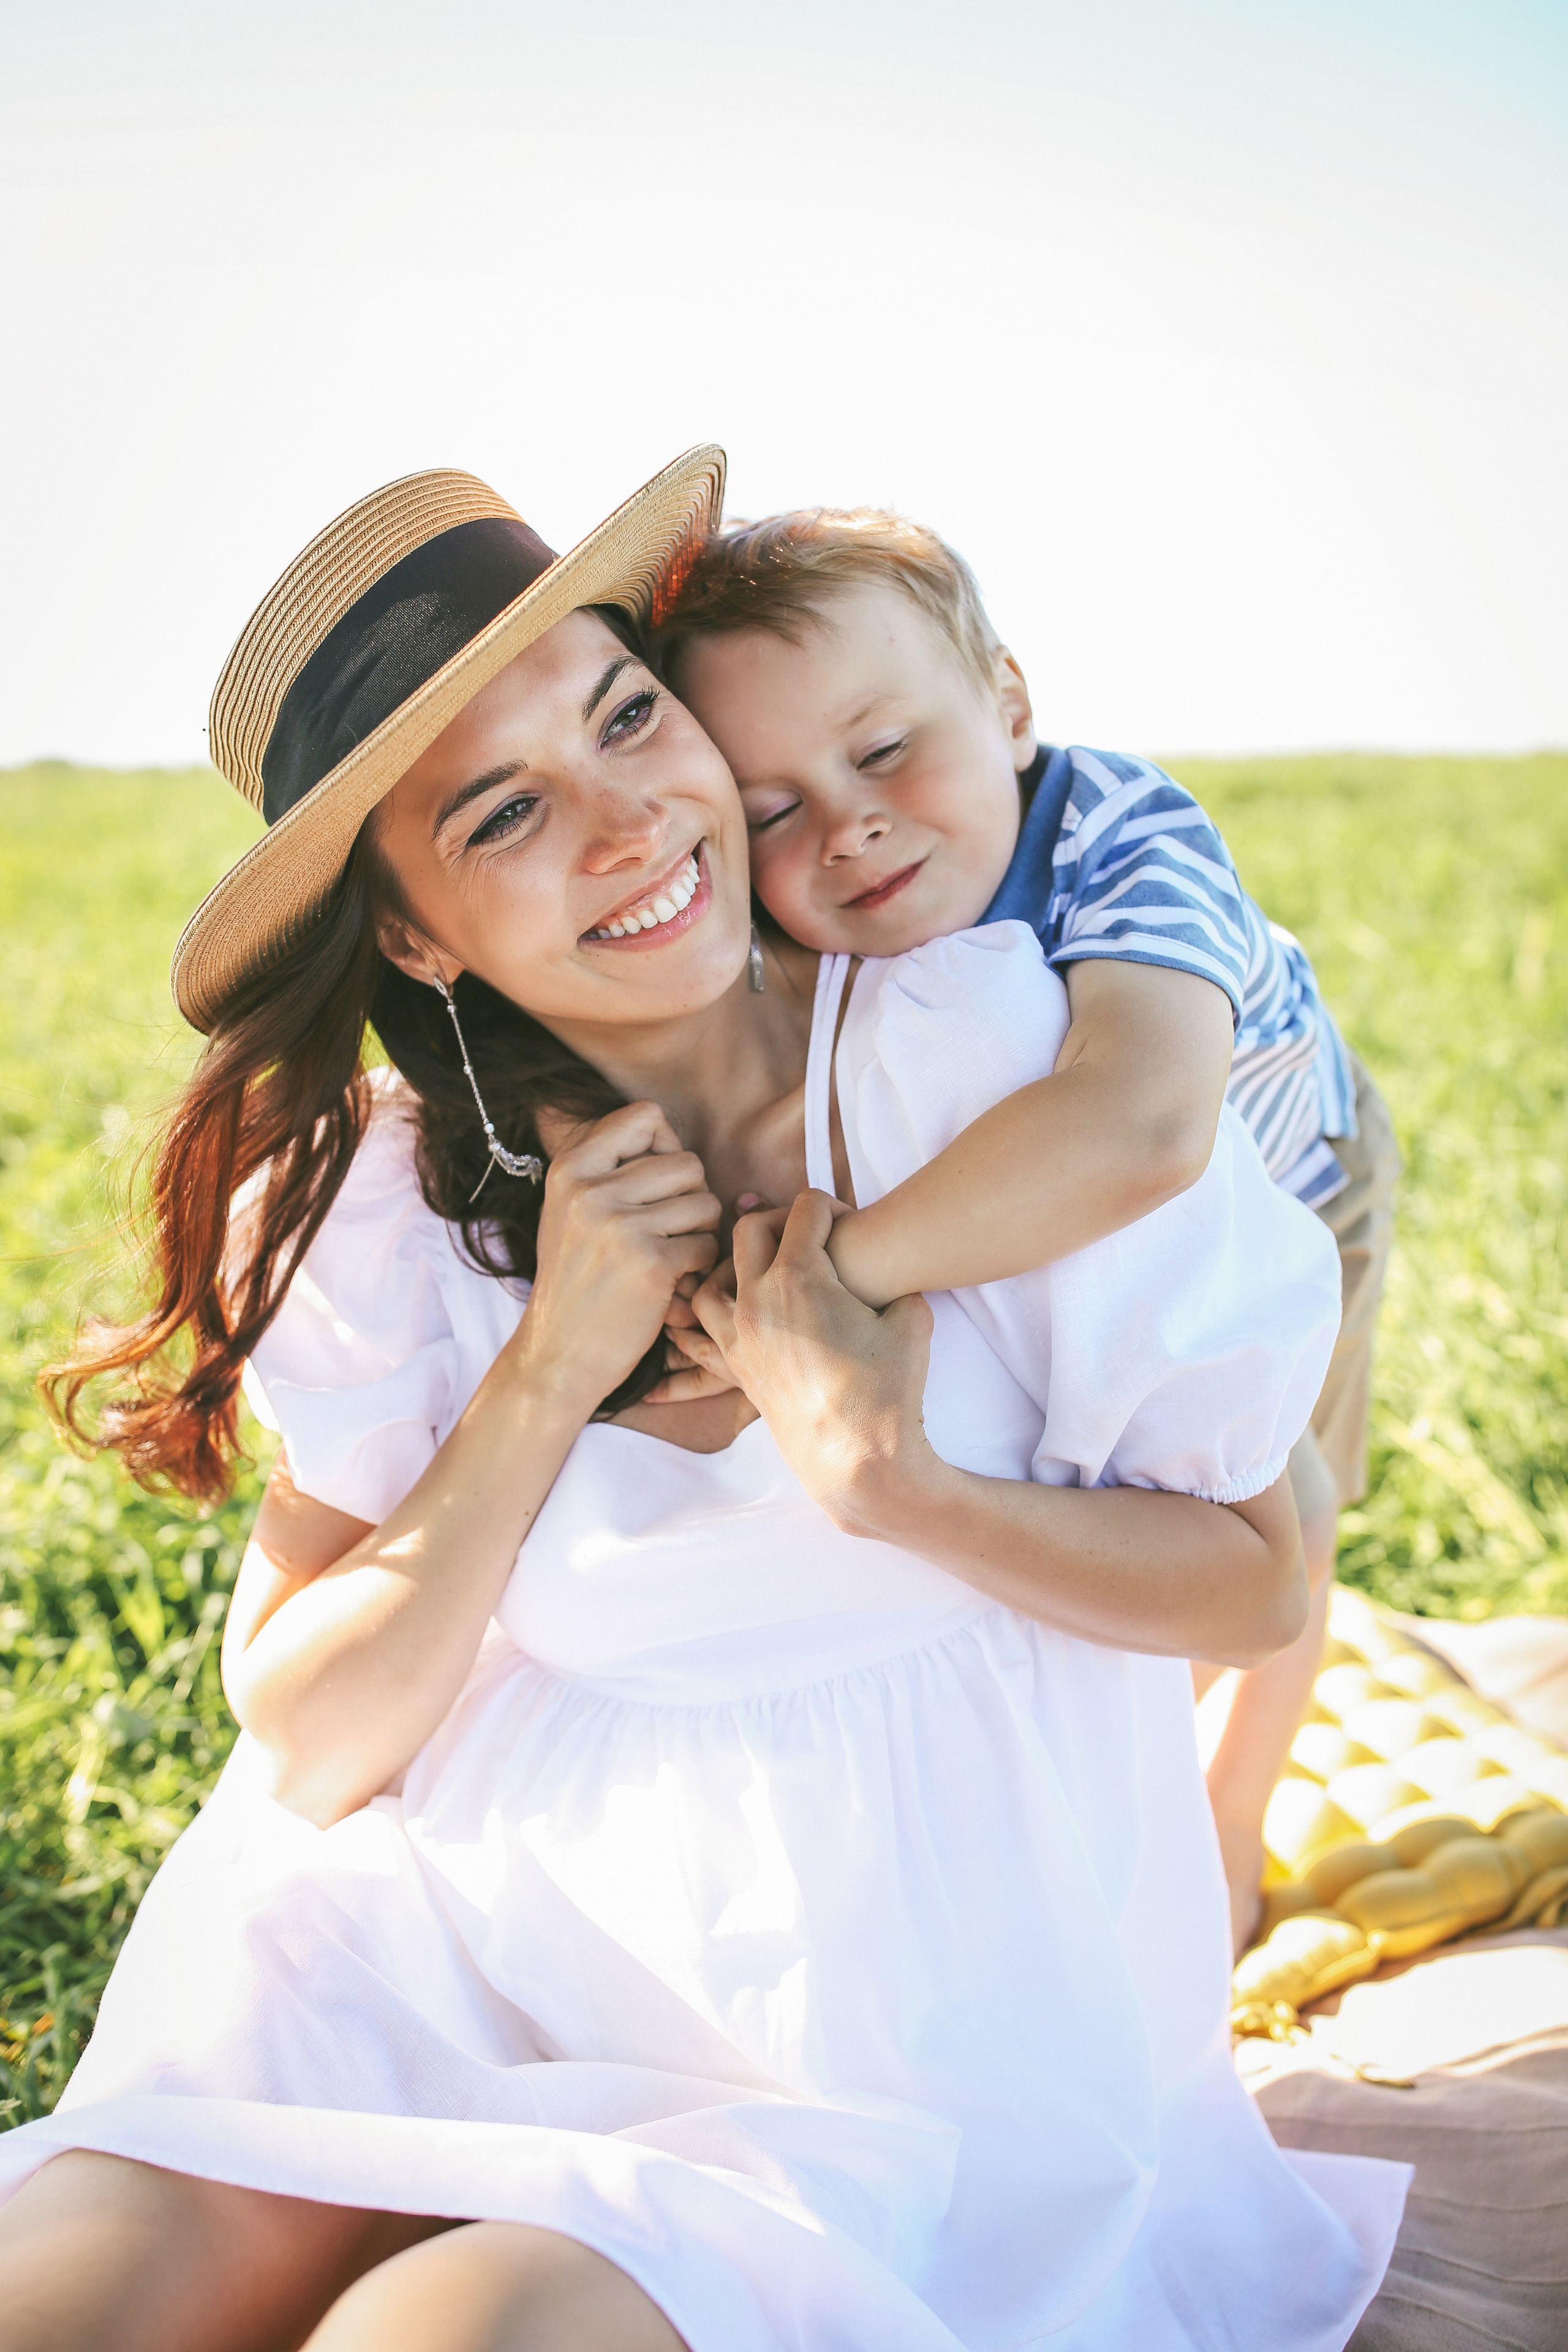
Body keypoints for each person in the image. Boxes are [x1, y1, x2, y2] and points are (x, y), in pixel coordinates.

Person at [1, 449, 1406, 2351]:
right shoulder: (404, 1207)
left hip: (868, 2059)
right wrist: (545, 1371)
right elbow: (317, 1743)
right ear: (414, 934)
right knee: (68, 2296)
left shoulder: (989, 1078)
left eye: (626, 717)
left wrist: (900, 1486)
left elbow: (1257, 1581)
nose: (631, 823)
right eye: (508, 810)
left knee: (456, 2331)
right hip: (415, 1961)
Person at [651, 508, 1402, 1950]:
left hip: (1281, 1170)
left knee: (1283, 1497)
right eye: (770, 811)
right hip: (1038, 1190)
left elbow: (1143, 1128)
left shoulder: (1116, 832)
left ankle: (1229, 1816)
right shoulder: (801, 923)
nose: (846, 826)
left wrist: (828, 1280)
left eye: (882, 750)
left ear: (1005, 702)